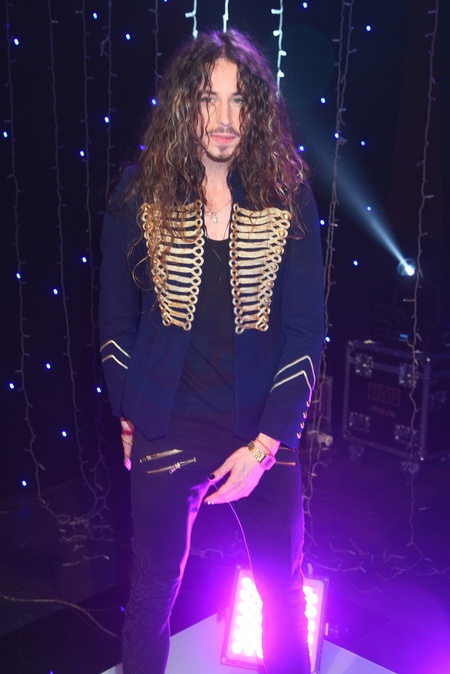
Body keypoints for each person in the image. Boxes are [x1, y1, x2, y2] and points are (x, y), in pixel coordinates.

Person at [99, 28, 324, 674]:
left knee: (282, 595)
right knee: (153, 594)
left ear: (256, 110)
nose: (224, 118)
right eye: (207, 98)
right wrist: (132, 410)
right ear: (184, 105)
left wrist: (267, 445)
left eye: (238, 100)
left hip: (263, 429)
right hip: (168, 427)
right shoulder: (137, 195)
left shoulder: (289, 195)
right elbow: (114, 325)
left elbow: (306, 332)